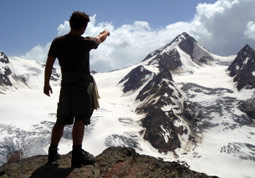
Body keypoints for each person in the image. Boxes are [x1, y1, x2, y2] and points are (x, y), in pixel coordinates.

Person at [43, 11, 110, 168]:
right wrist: (105, 32)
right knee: (80, 118)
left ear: (70, 23)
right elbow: (100, 39)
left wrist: (46, 83)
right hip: (82, 85)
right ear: (84, 27)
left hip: (66, 84)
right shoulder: (85, 42)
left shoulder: (57, 42)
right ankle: (77, 155)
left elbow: (49, 63)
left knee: (61, 118)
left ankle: (52, 152)